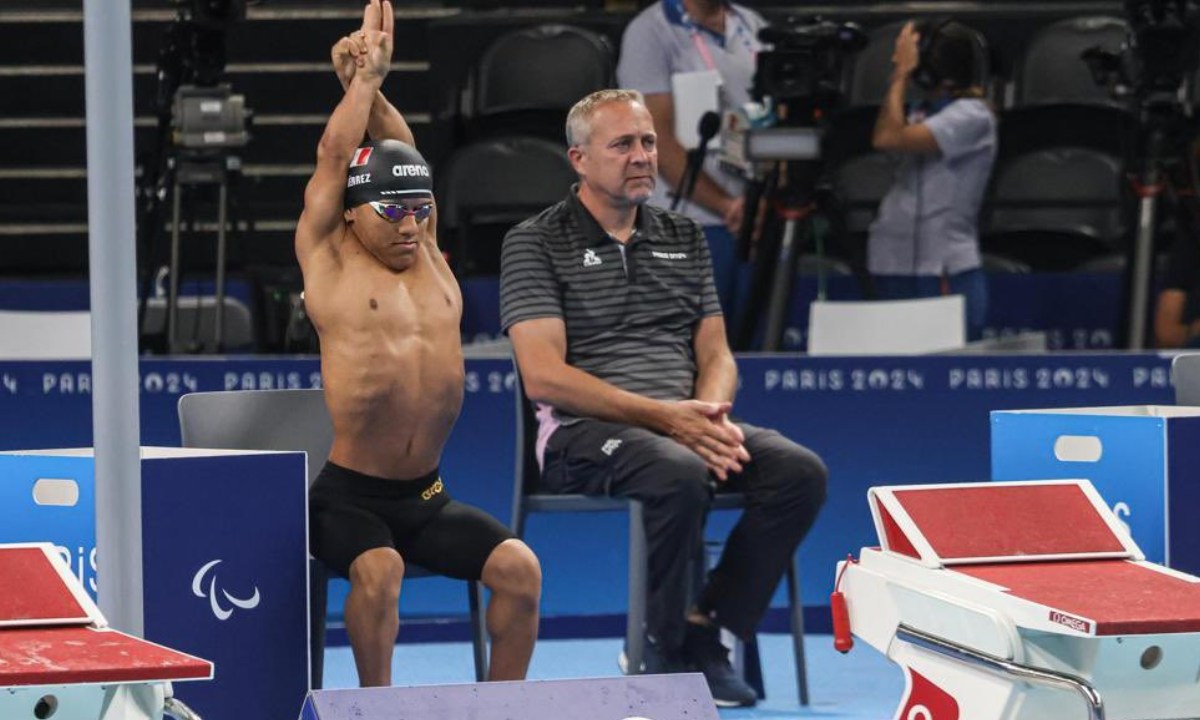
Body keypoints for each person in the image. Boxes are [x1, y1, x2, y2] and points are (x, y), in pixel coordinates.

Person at [499, 89, 827, 707]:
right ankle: (664, 648)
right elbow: (543, 377)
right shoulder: (534, 242)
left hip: (683, 423)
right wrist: (669, 421)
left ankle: (708, 626)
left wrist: (710, 415)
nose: (642, 155)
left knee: (796, 472)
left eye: (648, 141)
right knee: (676, 469)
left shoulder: (684, 235)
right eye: (622, 144)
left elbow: (717, 355)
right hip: (581, 433)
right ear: (579, 159)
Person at [295, 0, 540, 687]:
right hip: (342, 499)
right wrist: (361, 85)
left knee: (520, 568)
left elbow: (407, 159)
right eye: (393, 211)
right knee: (380, 568)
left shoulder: (427, 253)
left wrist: (371, 85)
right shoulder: (330, 258)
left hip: (426, 495)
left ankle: (504, 707)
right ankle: (378, 708)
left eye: (420, 209)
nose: (410, 224)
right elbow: (335, 155)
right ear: (351, 212)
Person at [616, 0, 767, 323]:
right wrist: (727, 206)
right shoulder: (651, 31)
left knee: (753, 351)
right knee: (690, 355)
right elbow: (654, 139)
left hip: (750, 221)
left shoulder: (750, 23)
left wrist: (759, 204)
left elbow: (769, 120)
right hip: (686, 222)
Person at [867, 20, 996, 340]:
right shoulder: (917, 111)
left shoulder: (974, 116)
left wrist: (899, 76)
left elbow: (887, 138)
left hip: (944, 266)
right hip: (890, 261)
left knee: (947, 371)